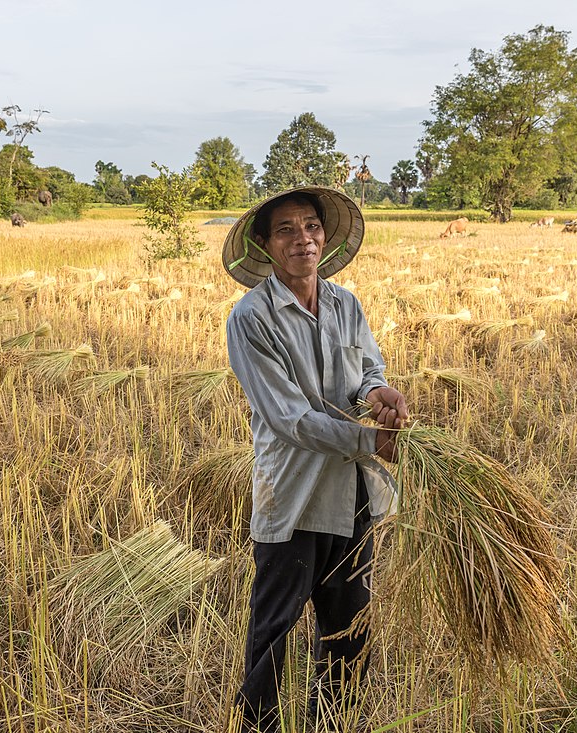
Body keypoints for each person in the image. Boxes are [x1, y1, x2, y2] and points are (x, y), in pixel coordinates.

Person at [223, 187, 408, 731]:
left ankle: (333, 722)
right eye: (286, 229)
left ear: (325, 236)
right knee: (274, 631)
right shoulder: (252, 318)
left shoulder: (346, 304)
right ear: (264, 243)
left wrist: (379, 396)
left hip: (353, 494)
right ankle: (259, 724)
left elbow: (364, 373)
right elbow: (290, 419)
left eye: (311, 226)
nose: (302, 238)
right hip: (295, 496)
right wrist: (372, 442)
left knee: (350, 629)